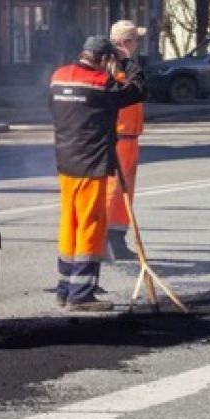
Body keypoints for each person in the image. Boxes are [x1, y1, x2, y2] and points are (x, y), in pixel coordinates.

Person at [49, 36, 147, 312]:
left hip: (66, 162)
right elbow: (138, 90)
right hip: (91, 163)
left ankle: (64, 288)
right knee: (90, 225)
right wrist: (127, 61)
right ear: (104, 60)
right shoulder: (102, 83)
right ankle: (81, 294)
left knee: (69, 223)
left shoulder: (58, 77)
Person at [105, 20, 147, 261]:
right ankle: (101, 242)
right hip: (118, 138)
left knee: (125, 194)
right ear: (125, 42)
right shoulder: (112, 67)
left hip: (130, 139)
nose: (138, 44)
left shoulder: (127, 66)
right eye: (135, 40)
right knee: (112, 192)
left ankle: (117, 240)